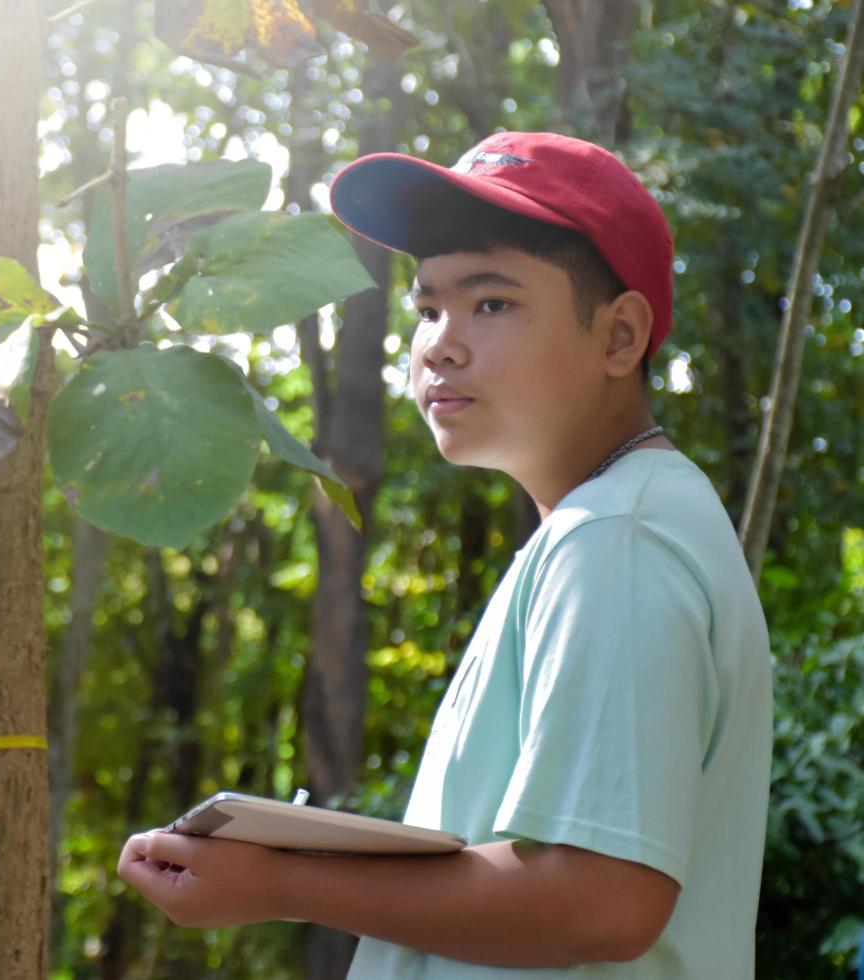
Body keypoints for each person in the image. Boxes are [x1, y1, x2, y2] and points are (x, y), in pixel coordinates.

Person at [115, 132, 772, 978]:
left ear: (619, 337)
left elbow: (601, 899)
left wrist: (277, 880)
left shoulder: (617, 539)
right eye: (428, 310)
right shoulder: (606, 525)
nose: (440, 346)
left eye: (491, 303)